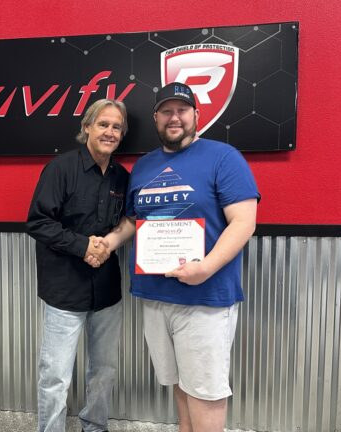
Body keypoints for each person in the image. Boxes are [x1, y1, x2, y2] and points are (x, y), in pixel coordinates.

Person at [93, 82, 259, 432]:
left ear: (196, 116)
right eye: (167, 111)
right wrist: (109, 243)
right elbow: (134, 222)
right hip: (155, 297)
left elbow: (244, 222)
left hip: (205, 298)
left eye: (182, 110)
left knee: (207, 390)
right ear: (155, 118)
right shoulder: (144, 167)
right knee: (181, 385)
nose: (175, 118)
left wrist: (206, 268)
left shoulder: (223, 157)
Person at [26, 98, 130, 432]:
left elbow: (126, 222)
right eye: (103, 124)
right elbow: (39, 222)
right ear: (86, 127)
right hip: (65, 291)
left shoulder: (121, 177)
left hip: (106, 290)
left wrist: (105, 246)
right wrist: (83, 246)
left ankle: (95, 427)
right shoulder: (61, 168)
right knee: (55, 374)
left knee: (104, 370)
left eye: (116, 127)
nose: (110, 132)